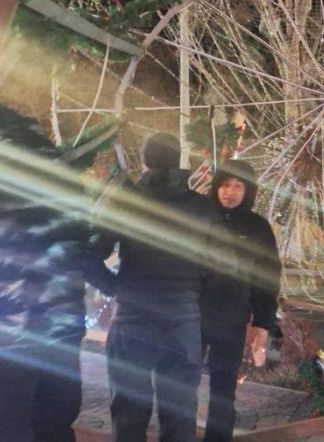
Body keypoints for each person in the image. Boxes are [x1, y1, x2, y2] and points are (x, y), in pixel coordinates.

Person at [99, 133, 227, 442]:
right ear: (178, 160)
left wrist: (115, 286)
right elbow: (225, 267)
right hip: (182, 324)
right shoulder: (202, 208)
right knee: (179, 415)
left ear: (144, 162)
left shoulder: (126, 201)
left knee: (129, 415)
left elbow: (90, 252)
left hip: (132, 322)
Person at [0, 104, 98, 442]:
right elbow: (83, 241)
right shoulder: (64, 175)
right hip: (62, 329)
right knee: (54, 425)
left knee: (11, 425)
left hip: (12, 333)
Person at [202, 160, 279, 442]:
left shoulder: (257, 227)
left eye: (238, 186)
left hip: (232, 317)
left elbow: (267, 277)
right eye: (225, 184)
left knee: (223, 388)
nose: (230, 192)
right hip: (193, 313)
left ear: (248, 190)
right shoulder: (200, 217)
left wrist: (262, 322)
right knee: (181, 382)